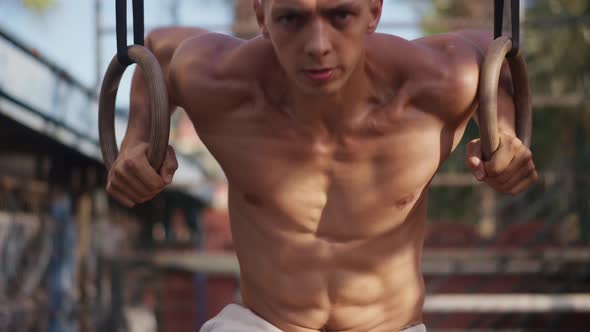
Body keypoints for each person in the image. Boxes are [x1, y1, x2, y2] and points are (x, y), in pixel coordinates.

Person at [106, 1, 538, 331]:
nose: (318, 46)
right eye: (292, 18)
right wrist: (138, 141)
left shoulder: (432, 85)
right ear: (261, 14)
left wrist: (504, 133)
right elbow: (156, 52)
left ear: (374, 10)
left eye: (340, 15)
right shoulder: (222, 83)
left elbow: (493, 50)